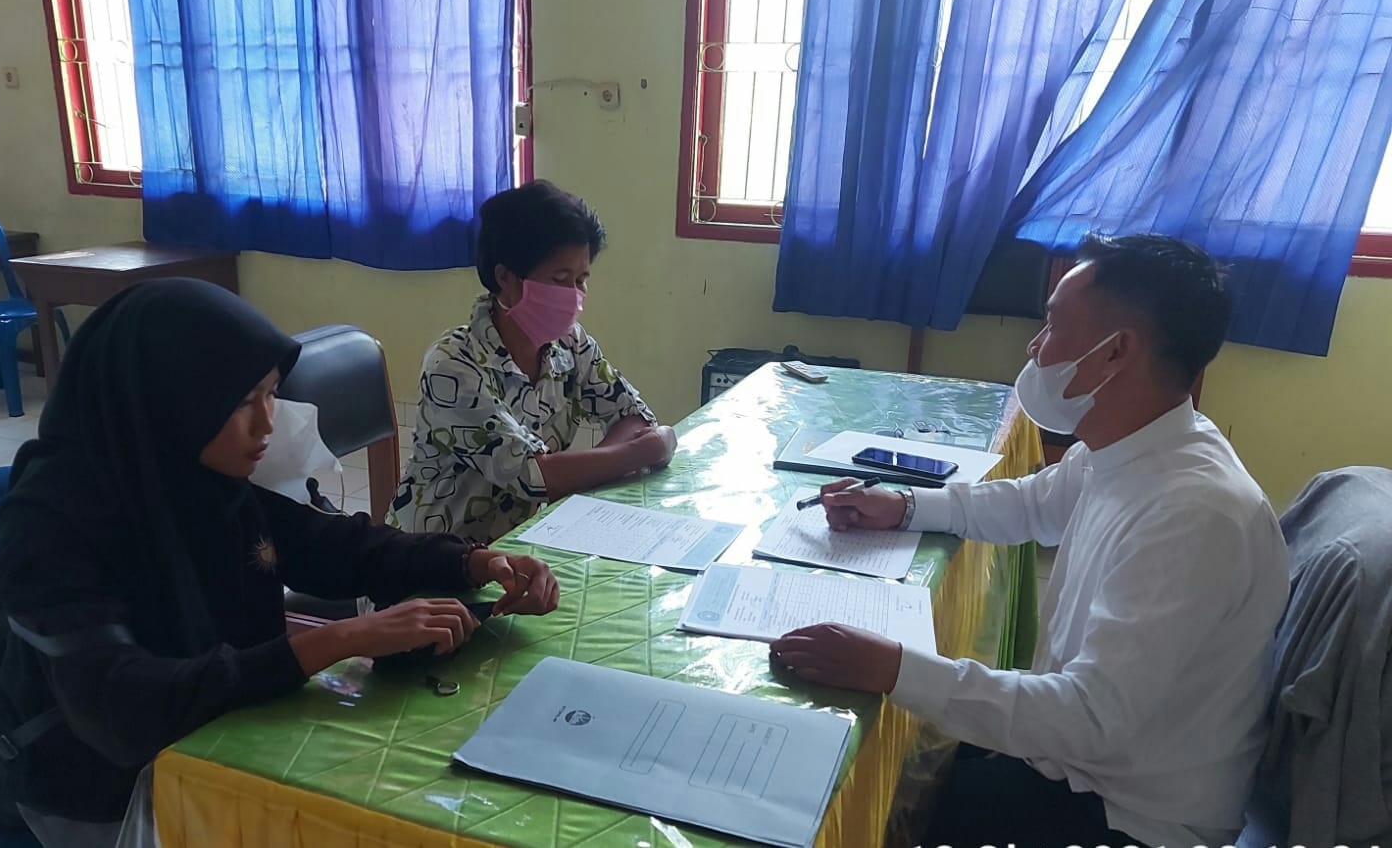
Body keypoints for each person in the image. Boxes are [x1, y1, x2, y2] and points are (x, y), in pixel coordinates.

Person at [0, 279, 559, 846]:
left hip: (206, 728)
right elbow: (125, 713)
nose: (268, 424)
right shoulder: (50, 526)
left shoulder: (190, 476)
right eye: (242, 402)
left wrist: (476, 563)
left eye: (271, 394)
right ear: (167, 402)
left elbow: (332, 547)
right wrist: (339, 640)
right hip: (88, 785)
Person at [770, 234, 1289, 848]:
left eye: (1052, 323)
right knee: (901, 758)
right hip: (1076, 763)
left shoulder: (1193, 513)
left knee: (869, 799)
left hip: (1130, 817)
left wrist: (893, 667)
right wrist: (904, 505)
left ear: (1115, 352)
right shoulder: (1138, 444)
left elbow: (1088, 720)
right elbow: (1034, 503)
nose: (1034, 345)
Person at [391, 181, 675, 541]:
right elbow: (533, 476)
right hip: (431, 565)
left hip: (523, 546)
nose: (574, 296)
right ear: (505, 277)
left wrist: (592, 469)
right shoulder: (453, 364)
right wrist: (636, 453)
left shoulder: (570, 344)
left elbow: (630, 414)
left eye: (582, 280)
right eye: (560, 279)